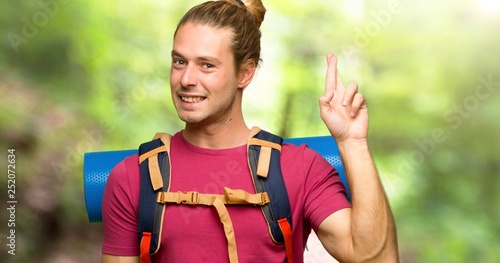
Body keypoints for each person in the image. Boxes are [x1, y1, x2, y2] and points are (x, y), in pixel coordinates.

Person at [101, 0, 399, 262]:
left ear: (245, 73)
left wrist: (353, 142)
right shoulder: (132, 177)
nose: (186, 79)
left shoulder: (299, 169)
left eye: (206, 65)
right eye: (179, 61)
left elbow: (376, 259)